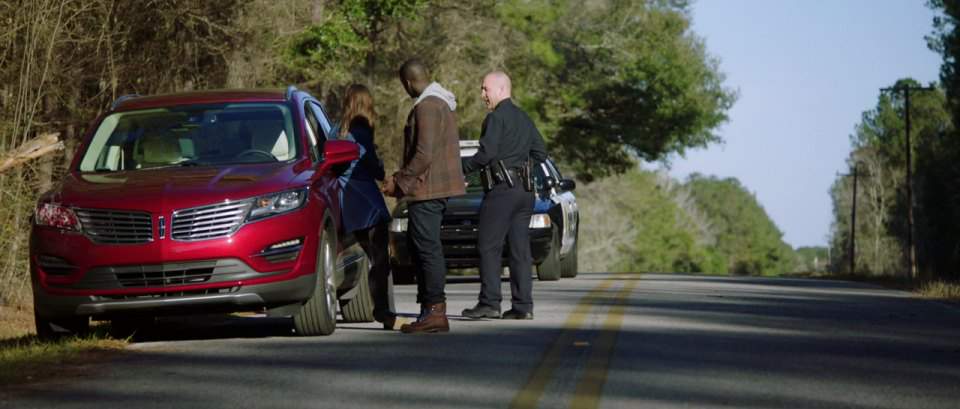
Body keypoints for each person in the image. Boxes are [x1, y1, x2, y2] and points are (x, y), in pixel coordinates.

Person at [382, 58, 465, 334]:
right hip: (432, 188)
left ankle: (435, 311)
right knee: (425, 248)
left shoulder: (427, 107)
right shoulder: (439, 102)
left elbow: (423, 154)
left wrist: (400, 182)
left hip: (428, 190)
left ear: (408, 82)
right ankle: (428, 309)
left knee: (426, 249)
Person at [461, 71, 547, 320]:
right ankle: (523, 306)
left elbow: (485, 155)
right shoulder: (523, 118)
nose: (482, 95)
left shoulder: (495, 118)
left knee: (488, 246)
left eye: (485, 89)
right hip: (525, 193)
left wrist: (462, 170)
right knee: (520, 250)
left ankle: (489, 303)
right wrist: (521, 162)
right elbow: (540, 152)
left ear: (500, 89)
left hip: (502, 192)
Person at [336, 84, 397, 330]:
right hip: (367, 203)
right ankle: (383, 310)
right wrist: (381, 168)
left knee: (364, 255)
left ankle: (379, 308)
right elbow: (375, 168)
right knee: (380, 260)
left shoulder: (336, 131)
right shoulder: (361, 132)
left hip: (345, 202)